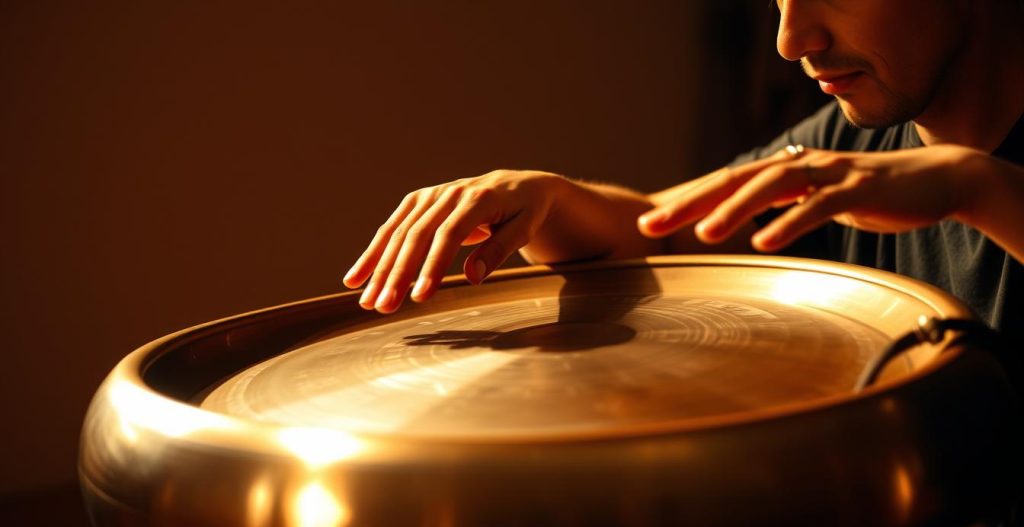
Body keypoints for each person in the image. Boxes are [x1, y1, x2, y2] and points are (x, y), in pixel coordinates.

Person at [342, 0, 1024, 353]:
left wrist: (975, 188)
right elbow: (662, 236)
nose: (791, 41)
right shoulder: (847, 145)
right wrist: (547, 198)